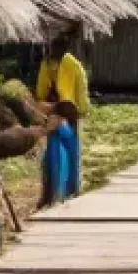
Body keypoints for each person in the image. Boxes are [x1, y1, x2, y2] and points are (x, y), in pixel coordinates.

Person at [36, 34, 90, 202]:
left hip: (60, 112)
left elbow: (42, 92)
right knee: (70, 152)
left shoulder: (52, 64)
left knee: (60, 151)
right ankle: (70, 189)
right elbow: (81, 93)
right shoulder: (72, 65)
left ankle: (59, 191)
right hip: (67, 112)